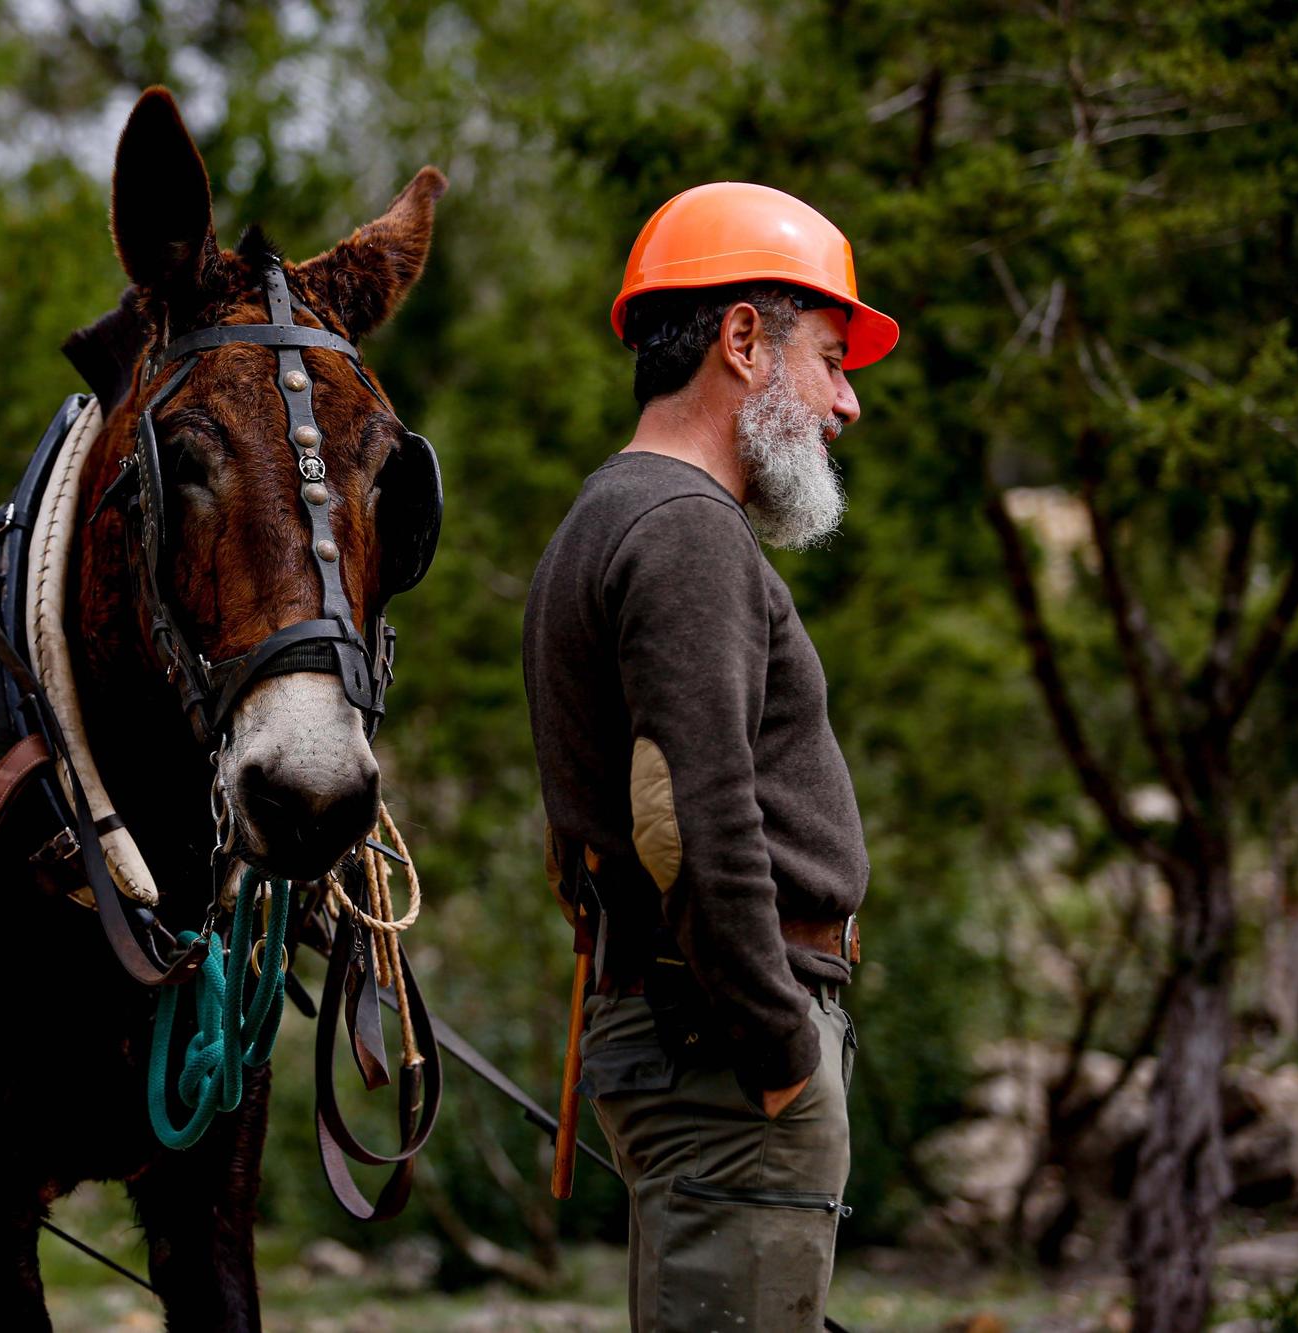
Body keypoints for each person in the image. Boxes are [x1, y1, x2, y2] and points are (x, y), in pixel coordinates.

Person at [521, 181, 898, 1331]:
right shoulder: (683, 529)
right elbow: (685, 819)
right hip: (729, 1058)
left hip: (693, 1044)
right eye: (829, 358)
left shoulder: (611, 516)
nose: (845, 402)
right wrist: (782, 1051)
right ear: (741, 339)